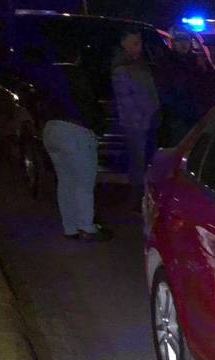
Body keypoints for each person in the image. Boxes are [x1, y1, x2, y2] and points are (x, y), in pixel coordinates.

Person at [33, 45, 112, 241]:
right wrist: (99, 126)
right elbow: (88, 105)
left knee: (66, 181)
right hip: (74, 131)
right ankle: (87, 227)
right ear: (77, 57)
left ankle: (70, 227)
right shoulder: (76, 76)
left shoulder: (47, 75)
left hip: (51, 129)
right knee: (83, 182)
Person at [111, 27, 160, 207]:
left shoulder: (139, 64)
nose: (139, 47)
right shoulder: (122, 68)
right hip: (136, 123)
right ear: (124, 44)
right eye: (135, 43)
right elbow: (127, 100)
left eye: (139, 43)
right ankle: (136, 200)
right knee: (138, 163)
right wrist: (143, 117)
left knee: (145, 161)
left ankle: (142, 197)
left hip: (146, 120)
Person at [157, 30, 210, 147]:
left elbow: (203, 88)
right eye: (179, 41)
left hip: (196, 116)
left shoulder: (197, 63)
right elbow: (163, 91)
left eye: (186, 40)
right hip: (177, 117)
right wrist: (175, 108)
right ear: (172, 43)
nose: (183, 44)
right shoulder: (166, 63)